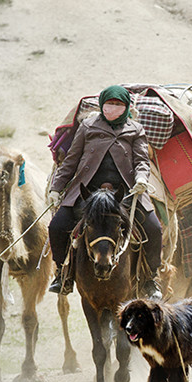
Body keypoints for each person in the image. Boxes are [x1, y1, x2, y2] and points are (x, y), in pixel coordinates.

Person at [47, 85, 163, 299]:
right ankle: (62, 275)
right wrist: (56, 188)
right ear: (102, 105)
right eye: (110, 104)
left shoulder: (135, 129)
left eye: (119, 105)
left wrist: (140, 179)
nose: (113, 108)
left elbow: (142, 161)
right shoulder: (88, 126)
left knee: (154, 228)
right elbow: (71, 162)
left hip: (125, 194)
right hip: (88, 193)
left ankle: (150, 279)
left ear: (127, 107)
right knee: (57, 226)